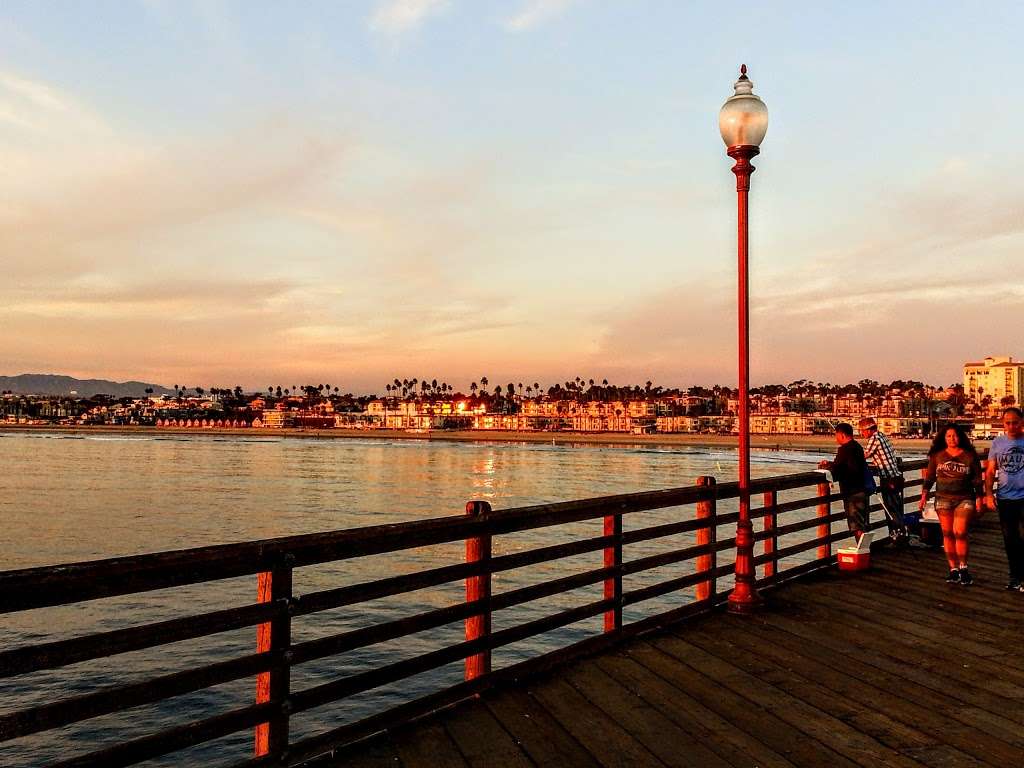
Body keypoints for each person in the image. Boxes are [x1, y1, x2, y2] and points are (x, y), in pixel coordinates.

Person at [920, 424, 984, 585]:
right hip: (942, 499)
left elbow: (977, 479)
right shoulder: (937, 455)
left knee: (960, 532)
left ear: (960, 437)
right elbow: (929, 477)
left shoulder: (970, 456)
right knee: (947, 533)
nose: (952, 439)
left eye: (955, 435)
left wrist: (979, 498)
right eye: (948, 436)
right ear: (943, 438)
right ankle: (953, 569)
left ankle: (964, 566)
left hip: (965, 498)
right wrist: (923, 497)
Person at [984, 406, 1024, 592]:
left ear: (1021, 422)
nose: (1011, 426)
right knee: (1010, 539)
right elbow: (991, 470)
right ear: (1003, 424)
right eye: (1008, 423)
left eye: (1015, 422)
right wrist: (989, 494)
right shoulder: (998, 443)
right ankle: (1015, 576)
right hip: (1006, 497)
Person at [859, 416, 908, 544]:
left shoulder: (874, 438)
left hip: (888, 479)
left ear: (869, 429)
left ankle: (898, 536)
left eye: (862, 431)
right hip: (896, 477)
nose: (861, 433)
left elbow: (863, 456)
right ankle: (900, 535)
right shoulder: (882, 436)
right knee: (896, 508)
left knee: (891, 509)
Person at [818, 423, 870, 543]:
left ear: (841, 435)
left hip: (852, 491)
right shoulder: (857, 447)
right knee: (862, 523)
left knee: (856, 525)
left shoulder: (844, 449)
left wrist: (828, 466)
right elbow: (846, 465)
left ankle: (863, 553)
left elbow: (838, 468)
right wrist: (832, 464)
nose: (836, 438)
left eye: (836, 435)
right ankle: (865, 551)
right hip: (862, 489)